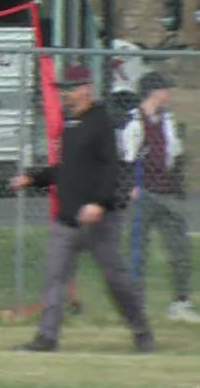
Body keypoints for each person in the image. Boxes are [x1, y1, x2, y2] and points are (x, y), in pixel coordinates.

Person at [10, 65, 154, 353]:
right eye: (62, 89)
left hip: (99, 221)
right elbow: (66, 170)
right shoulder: (70, 125)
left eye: (70, 89)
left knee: (116, 279)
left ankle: (141, 330)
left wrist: (99, 203)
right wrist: (33, 179)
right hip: (68, 220)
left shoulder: (101, 121)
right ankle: (47, 338)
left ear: (86, 89)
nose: (64, 94)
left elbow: (112, 169)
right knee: (55, 277)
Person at [118, 71, 200, 323]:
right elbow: (125, 159)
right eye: (165, 89)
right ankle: (136, 307)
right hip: (143, 195)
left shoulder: (168, 121)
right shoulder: (134, 122)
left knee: (180, 248)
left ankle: (180, 303)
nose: (169, 94)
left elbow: (174, 155)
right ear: (154, 92)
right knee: (137, 251)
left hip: (166, 194)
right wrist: (130, 186)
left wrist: (176, 185)